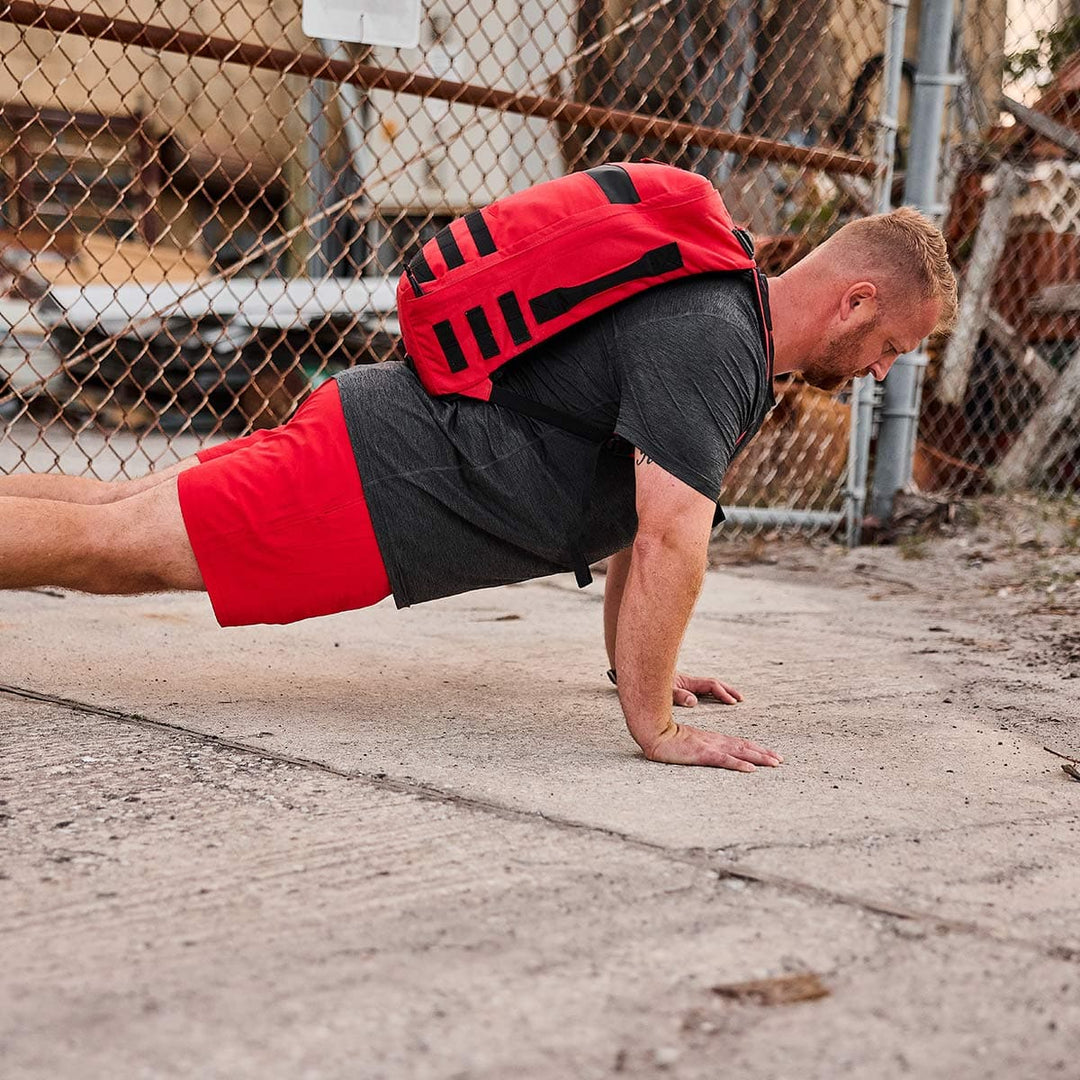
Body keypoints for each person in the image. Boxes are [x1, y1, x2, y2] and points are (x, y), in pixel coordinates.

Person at [0, 207, 956, 770]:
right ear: (857, 301)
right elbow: (672, 538)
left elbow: (633, 520)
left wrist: (642, 671)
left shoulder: (721, 317)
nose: (880, 373)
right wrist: (655, 729)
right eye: (890, 350)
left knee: (108, 515)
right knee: (114, 552)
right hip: (377, 486)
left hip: (376, 446)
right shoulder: (718, 340)